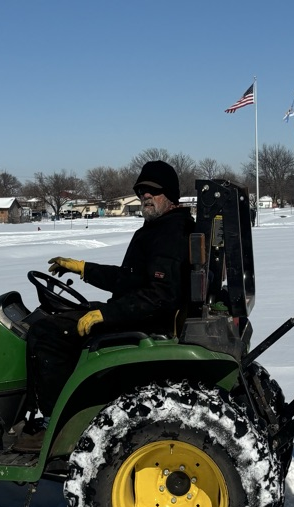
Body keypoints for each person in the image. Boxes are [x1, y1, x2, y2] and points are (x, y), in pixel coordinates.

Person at [15, 160, 195, 451]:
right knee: (54, 318)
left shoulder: (171, 233)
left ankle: (53, 425)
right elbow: (130, 279)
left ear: (170, 195)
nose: (145, 196)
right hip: (138, 312)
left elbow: (161, 294)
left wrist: (106, 314)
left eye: (153, 191)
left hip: (148, 320)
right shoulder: (157, 228)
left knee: (47, 334)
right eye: (141, 191)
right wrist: (83, 268)